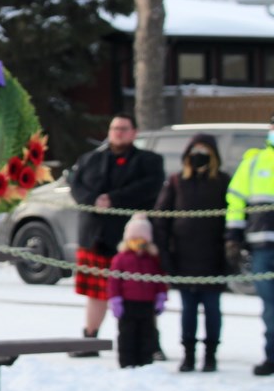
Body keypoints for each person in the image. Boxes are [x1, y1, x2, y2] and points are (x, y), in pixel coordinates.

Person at [67, 114, 165, 357]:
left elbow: (150, 186)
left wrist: (114, 199)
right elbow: (76, 185)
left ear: (134, 132)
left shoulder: (148, 161)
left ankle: (150, 344)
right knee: (95, 293)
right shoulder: (91, 159)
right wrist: (94, 200)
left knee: (142, 294)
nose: (118, 132)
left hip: (134, 242)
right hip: (95, 237)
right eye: (114, 128)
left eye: (123, 128)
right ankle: (89, 339)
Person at [152, 134, 230, 372]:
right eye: (195, 150)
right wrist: (165, 252)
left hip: (213, 257)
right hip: (184, 256)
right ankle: (188, 353)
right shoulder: (177, 181)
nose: (199, 155)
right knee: (188, 309)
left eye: (204, 150)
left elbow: (233, 216)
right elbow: (161, 218)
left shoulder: (223, 181)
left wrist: (230, 250)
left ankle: (211, 355)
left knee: (212, 308)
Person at [225, 113, 274, 377]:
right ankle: (272, 356)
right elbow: (236, 201)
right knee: (270, 308)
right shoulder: (254, 161)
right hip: (262, 247)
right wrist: (233, 237)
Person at [107, 213, 169, 368]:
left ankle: (145, 362)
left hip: (147, 304)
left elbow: (159, 279)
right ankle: (126, 363)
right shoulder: (120, 259)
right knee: (127, 335)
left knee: (147, 334)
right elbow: (114, 282)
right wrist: (115, 299)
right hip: (128, 303)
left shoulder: (152, 259)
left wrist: (161, 296)